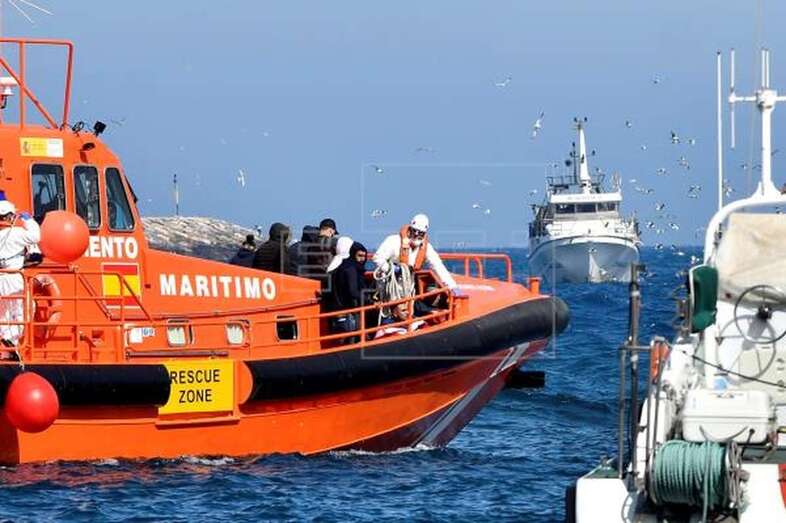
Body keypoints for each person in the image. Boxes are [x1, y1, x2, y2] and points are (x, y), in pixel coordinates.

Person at [373, 213, 458, 291]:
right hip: (388, 286)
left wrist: (452, 286)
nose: (417, 234)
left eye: (420, 233)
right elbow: (378, 258)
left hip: (408, 288)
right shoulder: (394, 241)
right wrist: (392, 269)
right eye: (415, 231)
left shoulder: (426, 247)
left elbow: (438, 266)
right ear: (410, 228)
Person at [0, 198, 41, 354]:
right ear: (10, 216)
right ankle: (13, 340)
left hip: (1, 278)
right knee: (25, 308)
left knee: (3, 312)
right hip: (14, 277)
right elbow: (36, 236)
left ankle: (6, 346)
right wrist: (28, 220)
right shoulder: (16, 234)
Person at [327, 242, 369, 342]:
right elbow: (353, 291)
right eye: (359, 255)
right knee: (353, 337)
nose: (362, 259)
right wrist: (369, 301)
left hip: (339, 308)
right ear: (353, 254)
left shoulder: (343, 265)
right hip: (348, 309)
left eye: (364, 256)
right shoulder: (351, 269)